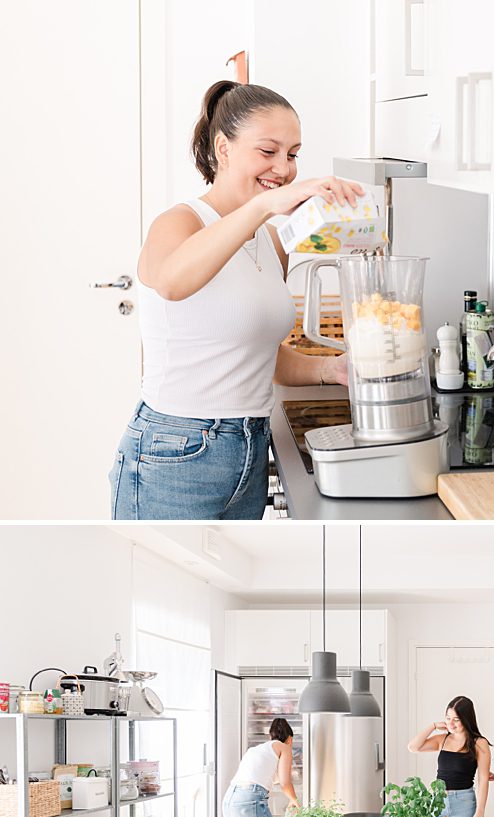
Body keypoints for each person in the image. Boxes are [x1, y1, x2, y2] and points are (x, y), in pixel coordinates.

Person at [112, 81, 363, 519]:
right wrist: (264, 207)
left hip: (248, 446)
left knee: (228, 589)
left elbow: (259, 352)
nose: (283, 168)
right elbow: (172, 281)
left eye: (292, 154)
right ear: (223, 149)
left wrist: (329, 369)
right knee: (165, 588)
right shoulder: (178, 222)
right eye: (268, 152)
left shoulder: (270, 240)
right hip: (176, 451)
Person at [221, 717, 297, 817]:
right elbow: (285, 783)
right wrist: (294, 800)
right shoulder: (284, 747)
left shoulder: (257, 749)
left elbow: (270, 777)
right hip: (249, 801)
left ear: (270, 736)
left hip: (229, 802)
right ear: (290, 739)